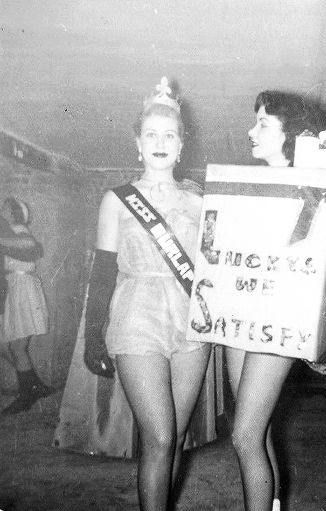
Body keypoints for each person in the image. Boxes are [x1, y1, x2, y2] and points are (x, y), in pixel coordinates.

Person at [83, 78, 211, 510]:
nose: (160, 142)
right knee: (157, 436)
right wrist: (91, 337)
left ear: (181, 144)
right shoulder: (116, 201)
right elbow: (101, 273)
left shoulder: (200, 202)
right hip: (137, 316)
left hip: (190, 322)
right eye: (151, 134)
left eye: (169, 135)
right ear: (137, 143)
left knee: (175, 436)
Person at [226, 90, 326, 511]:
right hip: (239, 314)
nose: (252, 131)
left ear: (292, 135)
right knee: (257, 431)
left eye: (264, 124)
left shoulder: (312, 187)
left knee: (244, 435)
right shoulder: (250, 184)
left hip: (277, 319)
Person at [0, 198, 52, 415]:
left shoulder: (18, 231)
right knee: (15, 346)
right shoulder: (12, 232)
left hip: (22, 287)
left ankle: (27, 394)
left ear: (13, 213)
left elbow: (31, 248)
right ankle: (35, 387)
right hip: (18, 287)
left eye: (5, 208)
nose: (2, 211)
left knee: (17, 347)